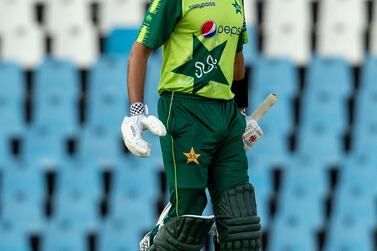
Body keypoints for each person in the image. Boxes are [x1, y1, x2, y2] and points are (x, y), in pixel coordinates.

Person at [121, 0, 263, 250]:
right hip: (185, 109)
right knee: (185, 221)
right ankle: (155, 241)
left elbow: (237, 61)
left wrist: (242, 114)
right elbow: (140, 49)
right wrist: (136, 111)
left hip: (226, 113)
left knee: (242, 227)